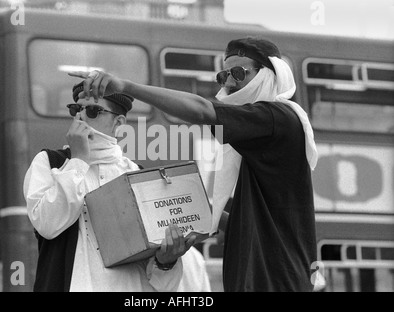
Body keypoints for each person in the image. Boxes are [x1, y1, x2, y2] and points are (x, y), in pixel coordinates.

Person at [68, 36, 318, 292]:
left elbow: (201, 110)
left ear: (268, 75)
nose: (229, 83)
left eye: (238, 73)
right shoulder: (260, 139)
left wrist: (127, 86)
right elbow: (252, 228)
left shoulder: (278, 118)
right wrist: (182, 209)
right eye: (223, 76)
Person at [23, 82, 196, 291]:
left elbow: (154, 275)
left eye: (93, 110)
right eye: (76, 109)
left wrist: (166, 261)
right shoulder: (50, 162)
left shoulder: (136, 174)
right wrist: (78, 161)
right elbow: (48, 225)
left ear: (119, 122)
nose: (81, 117)